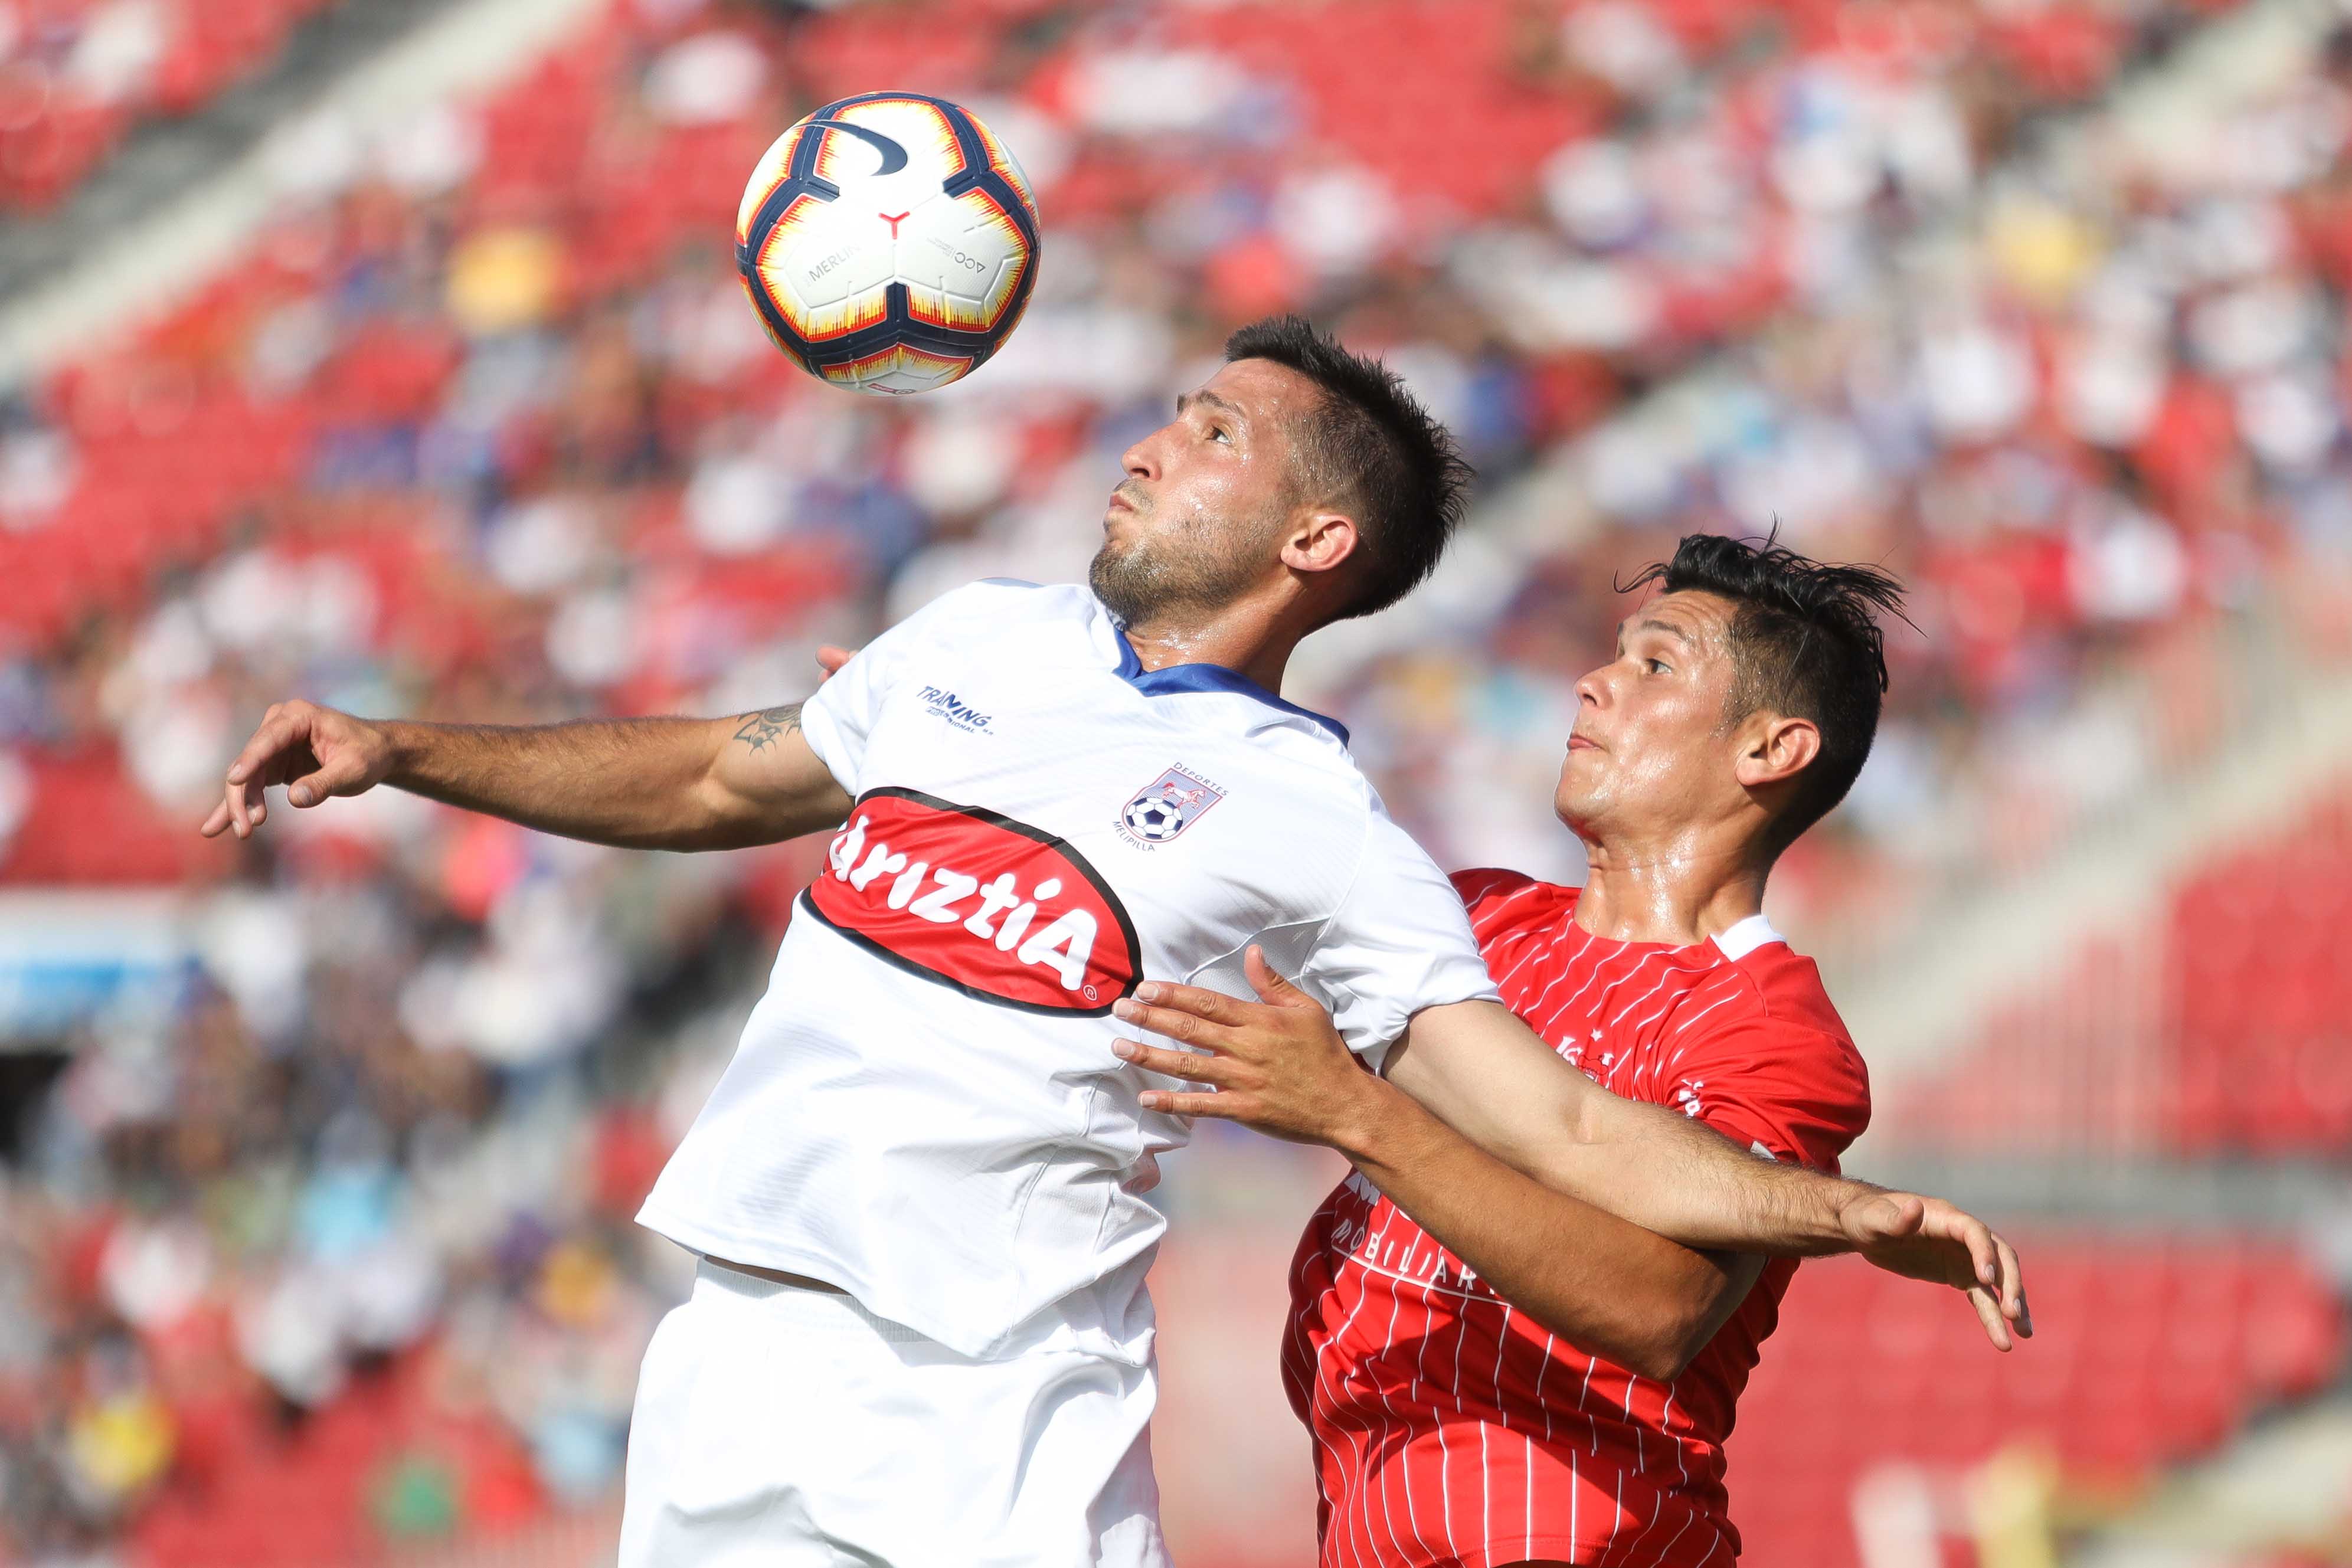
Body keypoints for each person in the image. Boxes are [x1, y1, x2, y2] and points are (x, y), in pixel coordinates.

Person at [199, 318, 2021, 1568]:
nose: (1150, 446)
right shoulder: (980, 647)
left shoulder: (1343, 851)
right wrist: (403, 746)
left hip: (1010, 1394)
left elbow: (1587, 1191)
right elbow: (712, 777)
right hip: (745, 1336)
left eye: (1211, 431)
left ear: (1316, 535)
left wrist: (1839, 1211)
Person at [1109, 533, 2032, 1568]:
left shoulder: (1770, 1028)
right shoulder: (1474, 916)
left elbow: (1656, 1306)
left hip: (1568, 1536)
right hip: (1368, 1514)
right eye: (1613, 654)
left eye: (1654, 665)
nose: (1593, 683)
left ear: (1770, 750)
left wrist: (1351, 1112)